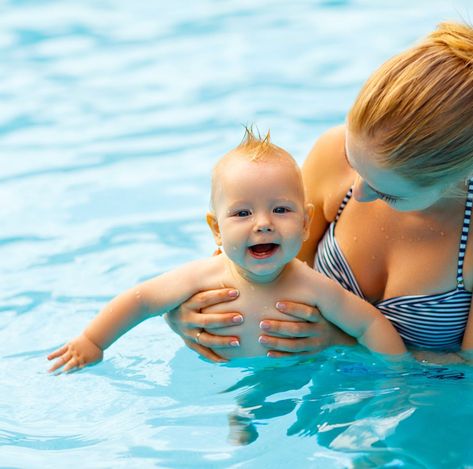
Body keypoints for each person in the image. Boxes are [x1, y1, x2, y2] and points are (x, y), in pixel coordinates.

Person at [165, 21, 473, 363]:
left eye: (388, 194)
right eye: (353, 162)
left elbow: (468, 372)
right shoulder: (330, 154)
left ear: (456, 179)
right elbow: (245, 265)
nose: (358, 192)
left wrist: (340, 342)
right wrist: (189, 313)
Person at [47, 129, 406, 373]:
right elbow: (140, 300)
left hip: (297, 372)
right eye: (242, 213)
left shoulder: (313, 286)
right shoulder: (202, 276)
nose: (263, 224)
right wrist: (93, 341)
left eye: (281, 210)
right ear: (216, 229)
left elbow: (369, 323)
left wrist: (398, 371)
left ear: (306, 223)